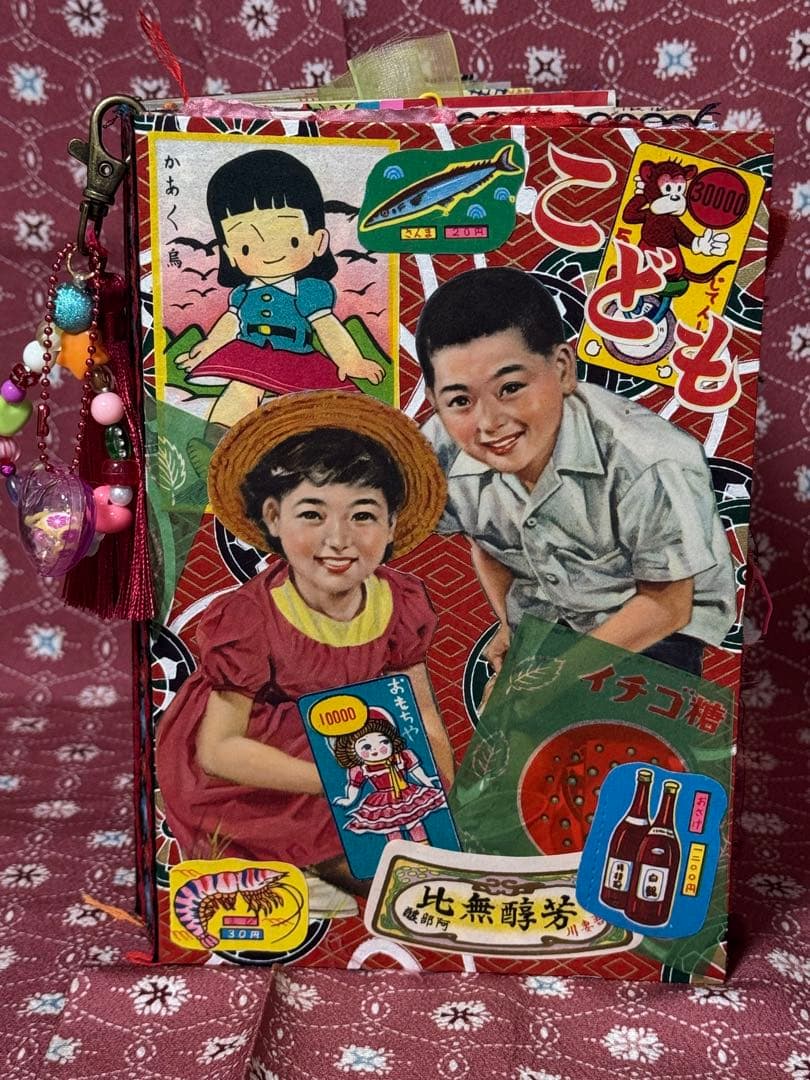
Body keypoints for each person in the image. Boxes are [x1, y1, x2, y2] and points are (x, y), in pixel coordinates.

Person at [155, 390, 453, 901]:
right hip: (259, 768)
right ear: (273, 517)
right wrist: (335, 785)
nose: (338, 540)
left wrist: (439, 792)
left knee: (429, 844)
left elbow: (419, 712)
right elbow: (218, 749)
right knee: (372, 873)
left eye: (363, 516)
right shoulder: (249, 620)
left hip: (356, 749)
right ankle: (319, 868)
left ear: (391, 524)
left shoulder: (400, 602)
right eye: (312, 515)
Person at [415, 266, 736, 677]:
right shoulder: (438, 448)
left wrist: (551, 680)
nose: (489, 422)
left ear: (563, 368)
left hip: (658, 623)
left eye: (510, 388)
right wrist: (511, 630)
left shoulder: (648, 460)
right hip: (551, 607)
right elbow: (488, 540)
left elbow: (667, 605)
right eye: (460, 400)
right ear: (435, 399)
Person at [176, 149, 384, 427]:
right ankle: (218, 441)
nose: (268, 253)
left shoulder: (309, 291)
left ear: (318, 241)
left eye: (290, 240)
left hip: (295, 357)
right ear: (230, 254)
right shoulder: (242, 294)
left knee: (304, 408)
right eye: (246, 245)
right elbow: (230, 322)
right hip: (250, 352)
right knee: (242, 389)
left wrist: (351, 359)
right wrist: (210, 345)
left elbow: (327, 326)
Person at [333, 708, 447, 843]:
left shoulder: (402, 756)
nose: (376, 749)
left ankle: (424, 847)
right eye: (367, 747)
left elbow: (415, 770)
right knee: (390, 828)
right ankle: (397, 851)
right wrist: (349, 799)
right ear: (352, 751)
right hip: (382, 800)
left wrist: (427, 782)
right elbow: (355, 786)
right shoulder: (362, 769)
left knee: (414, 822)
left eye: (384, 742)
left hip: (406, 794)